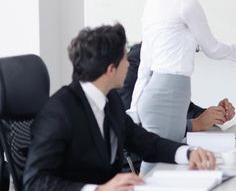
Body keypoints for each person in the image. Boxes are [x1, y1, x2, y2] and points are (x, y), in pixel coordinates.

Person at [23, 24, 216, 191]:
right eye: (125, 59)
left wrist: (189, 153)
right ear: (110, 69)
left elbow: (146, 143)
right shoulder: (59, 111)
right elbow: (35, 183)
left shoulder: (110, 100)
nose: (129, 65)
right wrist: (99, 189)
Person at [128, 0, 236, 174]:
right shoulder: (184, 2)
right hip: (169, 98)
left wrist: (134, 108)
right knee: (159, 169)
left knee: (159, 168)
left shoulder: (152, 2)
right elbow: (212, 48)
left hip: (154, 97)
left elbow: (145, 63)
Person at [119, 42, 236, 133]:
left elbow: (183, 108)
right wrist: (196, 124)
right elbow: (138, 125)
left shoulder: (166, 61)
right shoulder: (134, 66)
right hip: (139, 159)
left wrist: (214, 115)